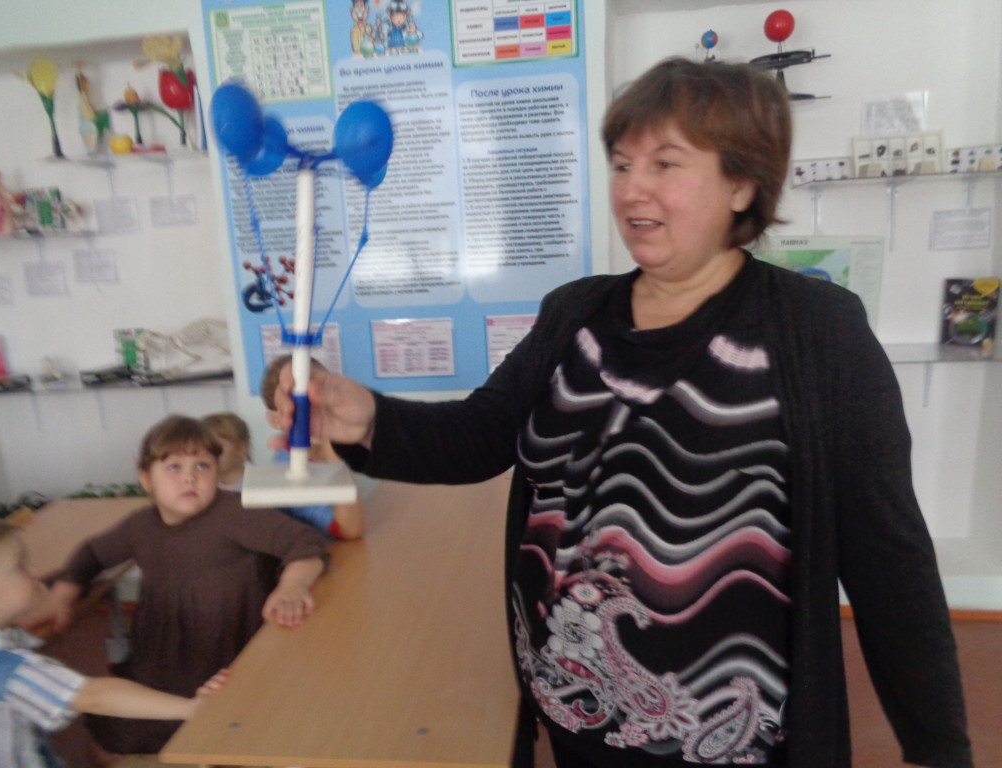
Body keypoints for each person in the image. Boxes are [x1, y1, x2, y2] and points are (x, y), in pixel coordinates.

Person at [266, 56, 973, 768]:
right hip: (574, 705)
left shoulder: (816, 332)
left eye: (665, 163)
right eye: (622, 164)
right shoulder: (574, 313)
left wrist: (938, 747)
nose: (634, 188)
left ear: (741, 183)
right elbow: (480, 434)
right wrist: (366, 419)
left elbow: (890, 560)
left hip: (729, 740)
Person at [22, 415, 329, 758]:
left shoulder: (236, 513)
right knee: (131, 729)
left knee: (235, 731)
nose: (189, 477)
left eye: (202, 466)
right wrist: (63, 594)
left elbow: (306, 542)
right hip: (164, 655)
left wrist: (292, 585)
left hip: (230, 653)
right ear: (146, 479)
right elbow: (93, 553)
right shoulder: (141, 526)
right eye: (173, 467)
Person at [0, 516, 227, 767]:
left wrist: (41, 604)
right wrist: (190, 708)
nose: (33, 572)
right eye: (19, 567)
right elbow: (96, 696)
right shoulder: (8, 671)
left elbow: (22, 639)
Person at [257, 355, 365, 540]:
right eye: (302, 408)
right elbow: (349, 530)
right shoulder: (288, 470)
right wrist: (334, 456)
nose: (317, 413)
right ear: (277, 420)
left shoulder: (337, 442)